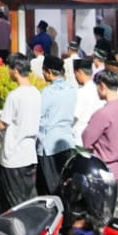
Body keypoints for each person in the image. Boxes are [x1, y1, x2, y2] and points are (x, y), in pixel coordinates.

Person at [83, 68, 118, 215]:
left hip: (105, 172)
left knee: (103, 219)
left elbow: (86, 140)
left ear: (102, 86)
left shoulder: (103, 114)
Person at [0, 53, 40, 212]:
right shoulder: (36, 93)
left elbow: (2, 124)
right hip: (29, 154)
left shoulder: (14, 96)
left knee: (11, 204)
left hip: (13, 156)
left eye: (9, 69)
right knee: (27, 199)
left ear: (15, 70)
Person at [37, 56, 77, 194]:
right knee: (64, 184)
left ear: (48, 72)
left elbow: (38, 115)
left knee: (49, 189)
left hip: (49, 145)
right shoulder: (72, 89)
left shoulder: (48, 92)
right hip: (66, 142)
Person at [70, 58, 99, 145]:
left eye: (75, 74)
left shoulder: (81, 92)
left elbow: (74, 116)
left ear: (79, 72)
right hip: (95, 137)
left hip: (80, 139)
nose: (75, 77)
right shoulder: (98, 90)